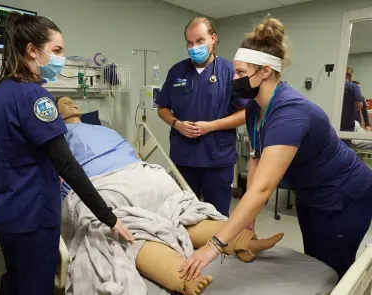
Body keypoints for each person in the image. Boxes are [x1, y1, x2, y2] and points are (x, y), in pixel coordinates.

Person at [178, 17, 372, 281]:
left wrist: (214, 246)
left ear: (266, 71)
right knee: (314, 262)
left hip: (345, 196)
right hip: (310, 194)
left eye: (241, 73)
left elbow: (263, 188)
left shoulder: (290, 113)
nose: (233, 79)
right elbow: (256, 158)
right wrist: (248, 218)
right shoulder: (254, 108)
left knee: (333, 270)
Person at [56, 96, 284, 295]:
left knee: (181, 212)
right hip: (108, 185)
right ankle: (184, 276)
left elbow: (133, 153)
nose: (68, 102)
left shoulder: (107, 129)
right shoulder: (57, 137)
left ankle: (243, 241)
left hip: (143, 176)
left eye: (70, 99)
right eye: (61, 101)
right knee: (138, 227)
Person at [0, 13, 133, 295]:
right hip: (32, 215)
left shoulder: (0, 91)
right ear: (32, 51)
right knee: (35, 285)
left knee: (13, 279)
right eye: (57, 51)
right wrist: (109, 217)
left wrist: (36, 165)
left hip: (4, 211)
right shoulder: (37, 97)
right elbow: (66, 163)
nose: (61, 58)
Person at [155, 17, 247, 217]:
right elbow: (162, 108)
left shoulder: (231, 72)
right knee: (184, 216)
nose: (194, 47)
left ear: (213, 39)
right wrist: (177, 124)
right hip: (183, 159)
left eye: (199, 40)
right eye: (189, 42)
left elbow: (246, 113)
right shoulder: (177, 71)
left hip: (217, 160)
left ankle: (215, 249)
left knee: (217, 218)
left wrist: (211, 126)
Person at [341, 68, 363, 137]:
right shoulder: (354, 87)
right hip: (347, 123)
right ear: (349, 75)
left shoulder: (334, 85)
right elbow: (359, 105)